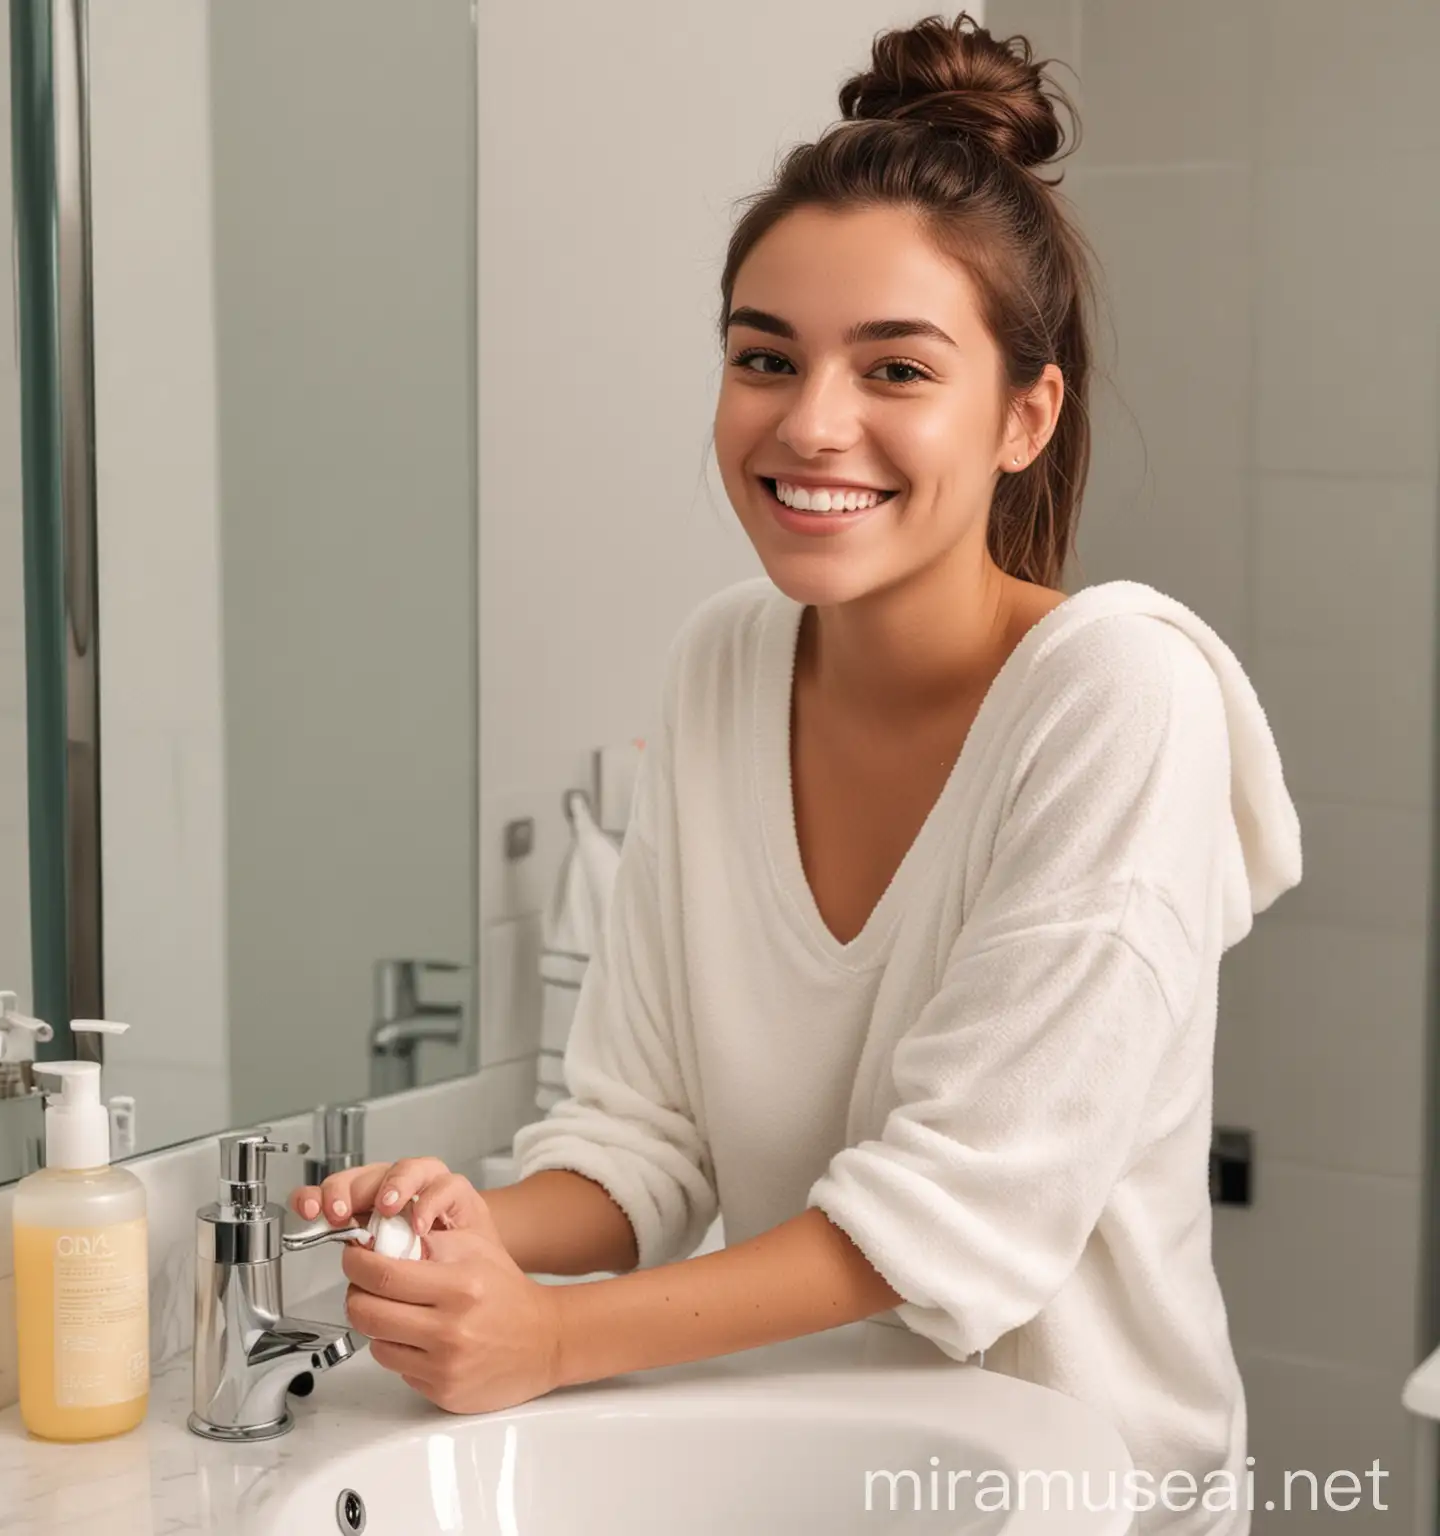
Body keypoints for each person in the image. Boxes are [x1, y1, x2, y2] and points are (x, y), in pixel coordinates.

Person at [292, 14, 1299, 1534]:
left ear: (1027, 415)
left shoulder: (1119, 693)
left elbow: (956, 1222)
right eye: (765, 357)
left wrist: (553, 1337)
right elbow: (646, 1136)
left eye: (897, 366)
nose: (810, 422)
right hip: (800, 1465)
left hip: (1076, 1500)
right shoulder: (726, 663)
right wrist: (467, 1229)